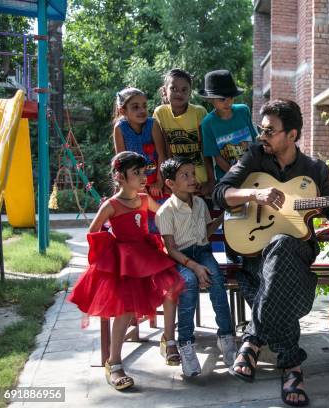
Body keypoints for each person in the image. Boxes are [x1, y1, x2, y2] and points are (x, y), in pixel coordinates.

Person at [213, 99, 329, 407]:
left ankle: (253, 338)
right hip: (254, 251)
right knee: (281, 275)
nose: (262, 136)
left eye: (270, 131)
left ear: (292, 134)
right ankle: (292, 365)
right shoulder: (254, 157)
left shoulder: (313, 170)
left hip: (295, 254)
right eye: (261, 129)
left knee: (285, 243)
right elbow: (221, 193)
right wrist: (254, 193)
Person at [68, 151, 184, 390]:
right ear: (120, 177)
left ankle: (169, 340)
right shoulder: (111, 205)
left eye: (144, 172)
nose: (143, 177)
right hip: (124, 262)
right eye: (136, 173)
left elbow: (162, 213)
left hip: (146, 254)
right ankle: (114, 362)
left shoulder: (143, 199)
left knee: (171, 288)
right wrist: (110, 252)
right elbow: (93, 230)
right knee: (125, 309)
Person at [155, 156, 236, 377]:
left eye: (193, 173)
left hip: (202, 251)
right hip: (179, 258)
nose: (193, 179)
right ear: (170, 183)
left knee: (217, 279)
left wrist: (222, 218)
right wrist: (195, 268)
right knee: (188, 283)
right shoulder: (165, 212)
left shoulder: (200, 203)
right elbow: (170, 249)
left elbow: (205, 233)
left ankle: (226, 338)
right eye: (186, 175)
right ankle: (186, 345)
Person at [113, 87, 168, 233]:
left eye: (144, 105)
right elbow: (122, 162)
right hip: (133, 184)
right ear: (123, 111)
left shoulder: (152, 124)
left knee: (161, 222)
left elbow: (161, 154)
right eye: (135, 107)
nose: (142, 110)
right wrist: (137, 188)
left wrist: (160, 181)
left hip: (156, 182)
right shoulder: (120, 128)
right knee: (140, 225)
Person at [153, 68, 215, 197]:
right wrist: (166, 181)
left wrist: (210, 181)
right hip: (176, 182)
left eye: (184, 89)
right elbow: (163, 152)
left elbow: (207, 150)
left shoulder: (199, 112)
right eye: (173, 89)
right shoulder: (160, 113)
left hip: (199, 180)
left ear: (190, 92)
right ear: (164, 91)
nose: (179, 93)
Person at [201, 69, 257, 182]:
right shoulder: (207, 123)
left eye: (231, 97)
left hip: (254, 172)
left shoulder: (243, 110)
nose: (228, 102)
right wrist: (236, 174)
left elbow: (255, 142)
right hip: (228, 177)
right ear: (210, 99)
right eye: (222, 99)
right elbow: (217, 157)